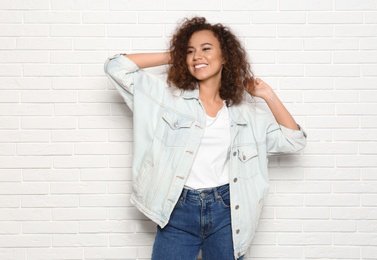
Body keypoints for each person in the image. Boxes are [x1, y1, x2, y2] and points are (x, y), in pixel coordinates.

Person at [105, 16, 306, 260]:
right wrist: (175, 55)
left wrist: (267, 94)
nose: (197, 55)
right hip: (177, 210)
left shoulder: (245, 114)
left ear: (225, 57)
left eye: (206, 49)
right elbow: (116, 66)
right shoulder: (168, 99)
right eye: (190, 51)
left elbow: (293, 140)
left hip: (228, 212)